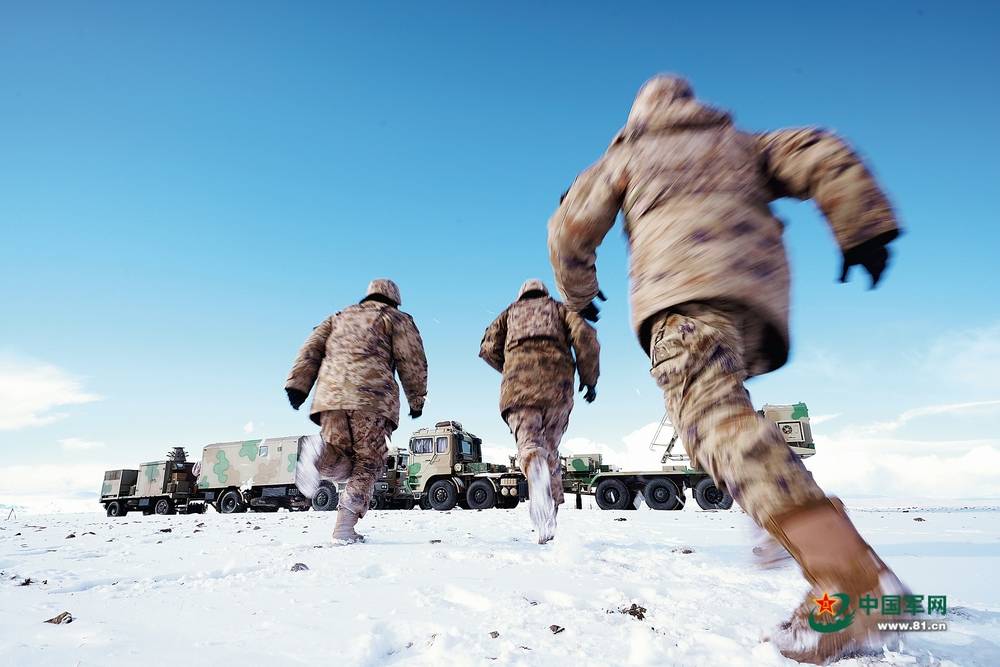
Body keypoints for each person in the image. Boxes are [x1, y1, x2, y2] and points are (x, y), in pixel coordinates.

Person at [547, 74, 903, 663]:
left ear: (637, 115)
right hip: (754, 302)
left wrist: (579, 295)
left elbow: (568, 229)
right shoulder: (743, 142)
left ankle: (850, 584)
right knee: (717, 425)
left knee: (715, 425)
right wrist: (861, 225)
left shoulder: (625, 156)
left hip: (681, 298)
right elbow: (820, 149)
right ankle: (773, 513)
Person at [285, 279, 427, 544]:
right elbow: (412, 360)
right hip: (371, 399)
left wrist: (298, 385)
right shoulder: (396, 318)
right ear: (395, 299)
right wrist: (416, 400)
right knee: (368, 463)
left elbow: (311, 348)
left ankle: (319, 452)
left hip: (330, 399)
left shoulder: (338, 317)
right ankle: (344, 529)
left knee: (341, 459)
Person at [480, 279, 600, 543]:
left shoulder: (508, 314)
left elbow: (487, 349)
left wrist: (511, 369)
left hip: (519, 391)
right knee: (551, 453)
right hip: (557, 390)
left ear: (521, 294)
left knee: (530, 443)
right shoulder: (560, 309)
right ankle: (549, 521)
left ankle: (533, 460)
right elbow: (586, 337)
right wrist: (589, 379)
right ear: (544, 292)